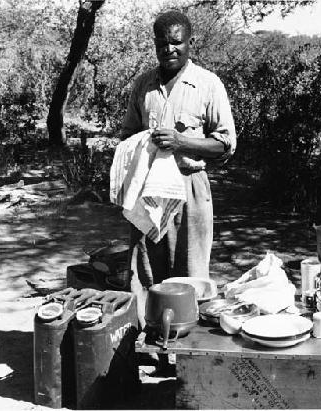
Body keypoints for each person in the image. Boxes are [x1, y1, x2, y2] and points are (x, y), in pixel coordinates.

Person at [119, 10, 236, 320]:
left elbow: (225, 145)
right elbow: (127, 136)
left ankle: (185, 351)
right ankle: (147, 342)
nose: (168, 50)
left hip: (190, 187)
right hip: (147, 190)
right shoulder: (143, 84)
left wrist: (182, 142)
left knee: (190, 271)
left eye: (176, 43)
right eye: (161, 43)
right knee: (145, 267)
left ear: (190, 43)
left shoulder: (208, 84)